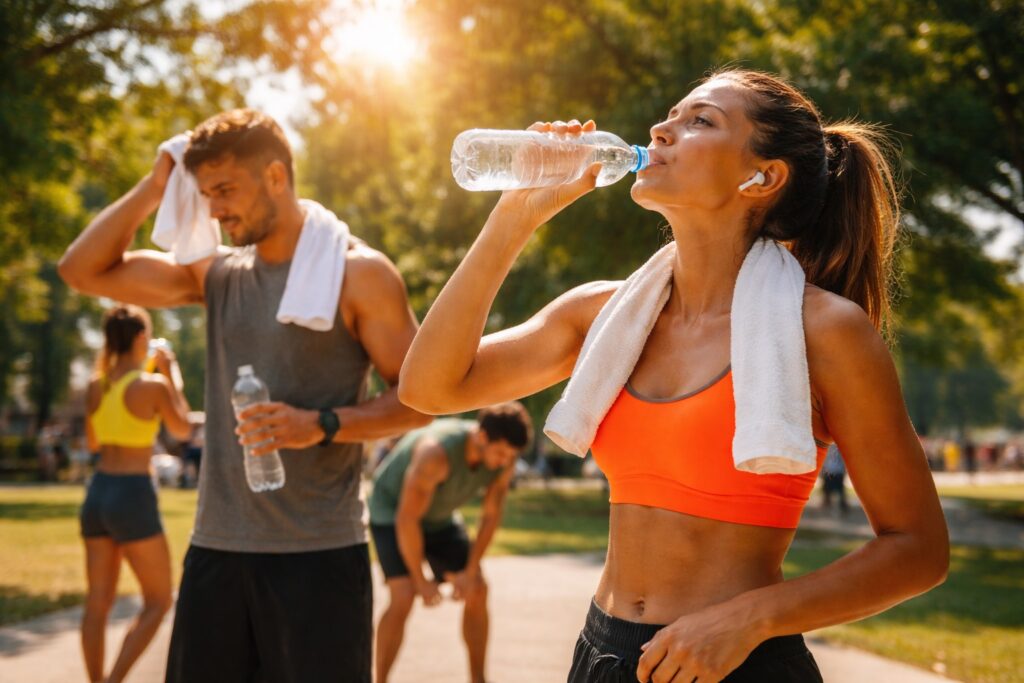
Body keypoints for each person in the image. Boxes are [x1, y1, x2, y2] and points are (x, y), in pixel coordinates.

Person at [399, 68, 949, 682]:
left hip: (735, 663)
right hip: (602, 653)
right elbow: (429, 387)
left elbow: (918, 549)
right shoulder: (603, 316)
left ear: (761, 176)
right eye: (671, 115)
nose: (661, 130)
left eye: (700, 121)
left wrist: (749, 620)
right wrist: (515, 217)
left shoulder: (822, 330)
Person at [59, 109, 431, 683]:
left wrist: (322, 424)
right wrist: (158, 183)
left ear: (277, 177)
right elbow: (81, 269)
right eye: (204, 193)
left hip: (320, 557)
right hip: (217, 552)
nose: (213, 209)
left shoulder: (359, 274)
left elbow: (419, 399)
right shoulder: (217, 277)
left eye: (226, 190)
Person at [369, 402, 532, 683]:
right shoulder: (436, 453)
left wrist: (470, 570)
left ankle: (478, 679)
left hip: (439, 517)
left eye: (511, 456)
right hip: (392, 512)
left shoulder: (504, 460)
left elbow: (490, 516)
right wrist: (420, 579)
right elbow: (407, 519)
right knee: (404, 594)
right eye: (501, 453)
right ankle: (379, 680)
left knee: (477, 589)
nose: (505, 461)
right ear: (482, 438)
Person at [80, 304, 192, 683]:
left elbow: (93, 442)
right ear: (142, 338)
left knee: (97, 602)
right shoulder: (153, 385)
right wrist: (170, 373)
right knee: (159, 600)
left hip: (98, 491)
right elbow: (183, 429)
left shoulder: (97, 384)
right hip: (132, 492)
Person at [820, 444, 848, 513]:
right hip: (831, 470)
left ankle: (842, 504)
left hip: (836, 470)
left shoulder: (839, 447)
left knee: (839, 489)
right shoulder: (830, 446)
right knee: (827, 488)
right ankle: (827, 503)